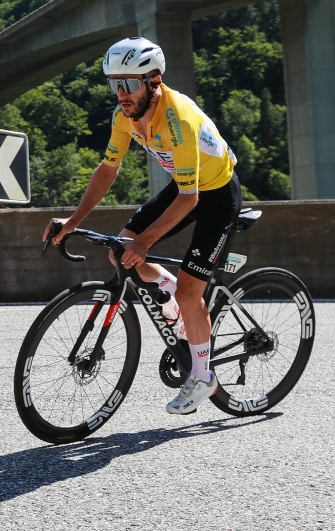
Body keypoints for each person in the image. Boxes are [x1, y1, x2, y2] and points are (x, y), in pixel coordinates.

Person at [43, 37, 241, 415]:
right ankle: (167, 289)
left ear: (154, 81)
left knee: (188, 293)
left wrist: (146, 242)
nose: (121, 93)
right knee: (122, 247)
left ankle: (203, 376)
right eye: (114, 84)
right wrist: (73, 221)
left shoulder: (177, 118)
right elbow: (108, 170)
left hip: (215, 196)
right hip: (184, 186)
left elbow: (191, 199)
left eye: (129, 84)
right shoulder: (125, 116)